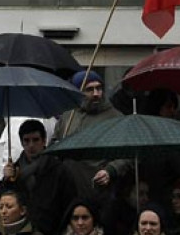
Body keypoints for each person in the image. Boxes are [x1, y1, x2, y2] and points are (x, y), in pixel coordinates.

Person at [51, 70, 131, 200]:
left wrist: (110, 170)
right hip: (68, 191)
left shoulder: (115, 118)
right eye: (89, 89)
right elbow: (55, 143)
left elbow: (128, 154)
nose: (96, 94)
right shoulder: (68, 115)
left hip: (99, 192)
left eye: (99, 88)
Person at [2, 119, 72, 235]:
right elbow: (5, 203)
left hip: (51, 233)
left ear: (44, 140)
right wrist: (7, 181)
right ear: (21, 142)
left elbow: (68, 204)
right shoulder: (14, 171)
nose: (31, 145)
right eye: (26, 140)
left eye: (35, 140)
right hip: (21, 234)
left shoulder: (59, 170)